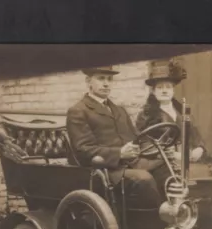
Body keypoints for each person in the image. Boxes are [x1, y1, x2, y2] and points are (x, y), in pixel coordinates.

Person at [65, 66, 172, 208]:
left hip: (132, 164)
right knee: (143, 179)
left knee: (169, 170)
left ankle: (176, 216)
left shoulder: (119, 110)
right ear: (88, 81)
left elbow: (137, 138)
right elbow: (83, 149)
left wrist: (161, 150)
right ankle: (155, 223)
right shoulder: (78, 111)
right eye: (101, 78)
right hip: (104, 171)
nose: (106, 83)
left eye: (109, 79)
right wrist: (119, 153)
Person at [135, 59, 212, 178]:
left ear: (173, 90)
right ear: (153, 91)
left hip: (189, 158)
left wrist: (199, 149)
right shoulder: (146, 115)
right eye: (160, 87)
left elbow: (196, 136)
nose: (164, 90)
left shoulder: (183, 111)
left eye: (168, 87)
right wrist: (171, 154)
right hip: (163, 162)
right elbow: (144, 144)